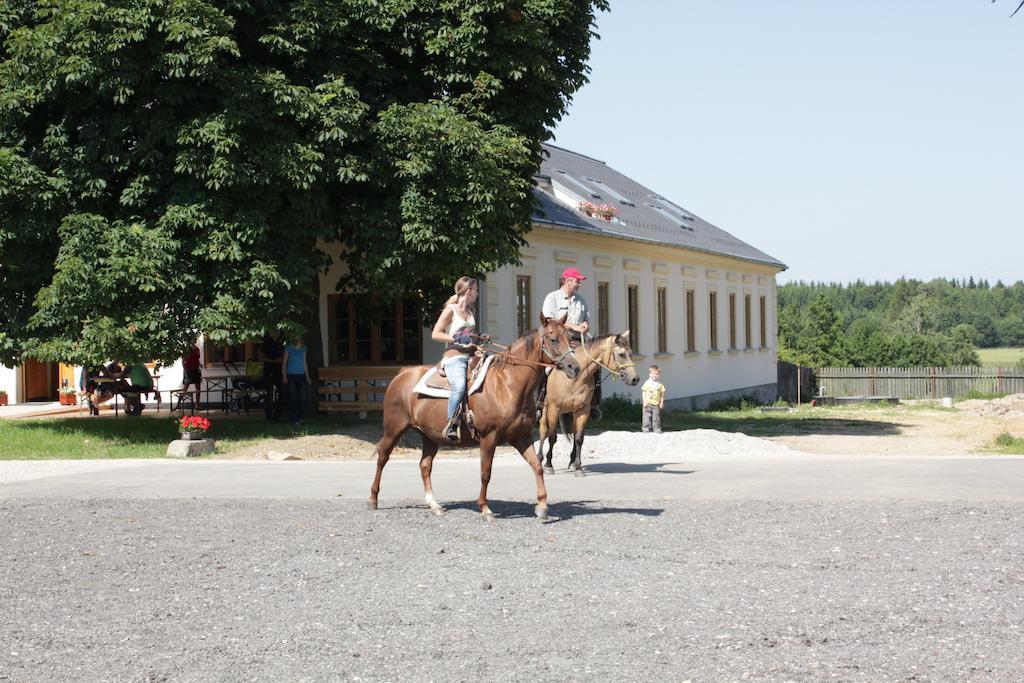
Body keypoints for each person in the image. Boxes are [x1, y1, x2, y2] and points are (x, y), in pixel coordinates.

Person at [541, 267, 601, 418]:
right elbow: (550, 323)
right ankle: (540, 401)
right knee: (547, 367)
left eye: (579, 281)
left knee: (596, 363)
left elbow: (586, 317)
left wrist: (585, 324)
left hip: (579, 339)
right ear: (567, 281)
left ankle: (593, 404)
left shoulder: (581, 300)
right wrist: (573, 326)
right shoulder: (552, 298)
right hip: (557, 341)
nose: (579, 284)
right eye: (577, 281)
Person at [431, 276, 478, 441]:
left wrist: (477, 338)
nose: (477, 293)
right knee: (459, 385)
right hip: (454, 357)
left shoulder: (471, 312)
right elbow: (435, 333)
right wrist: (455, 339)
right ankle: (451, 423)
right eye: (476, 290)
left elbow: (469, 336)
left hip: (471, 356)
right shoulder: (450, 309)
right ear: (468, 291)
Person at [282, 336, 310, 424]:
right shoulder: (288, 348)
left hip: (301, 375)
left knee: (303, 399)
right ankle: (295, 419)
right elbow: (284, 363)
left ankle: (300, 416)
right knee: (293, 398)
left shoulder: (304, 348)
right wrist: (284, 375)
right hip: (291, 375)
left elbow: (304, 363)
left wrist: (308, 376)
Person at [260, 330, 285, 421]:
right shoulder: (267, 343)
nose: (277, 333)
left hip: (279, 371)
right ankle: (269, 416)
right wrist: (274, 361)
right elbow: (261, 357)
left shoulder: (280, 343)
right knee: (269, 394)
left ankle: (277, 414)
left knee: (282, 393)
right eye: (275, 331)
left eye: (278, 332)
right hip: (269, 371)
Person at [641, 365, 666, 434]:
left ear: (659, 375)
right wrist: (644, 401)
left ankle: (656, 429)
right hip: (648, 403)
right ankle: (646, 428)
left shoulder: (660, 385)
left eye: (657, 374)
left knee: (656, 417)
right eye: (653, 374)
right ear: (649, 374)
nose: (655, 375)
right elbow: (644, 392)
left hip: (656, 404)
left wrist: (661, 403)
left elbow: (662, 395)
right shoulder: (647, 383)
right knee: (646, 417)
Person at [182, 342, 202, 408]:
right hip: (189, 370)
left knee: (198, 388)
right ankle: (179, 404)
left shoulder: (197, 349)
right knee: (185, 388)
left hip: (196, 370)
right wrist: (185, 369)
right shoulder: (187, 349)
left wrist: (199, 364)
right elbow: (183, 360)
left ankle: (197, 405)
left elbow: (197, 359)